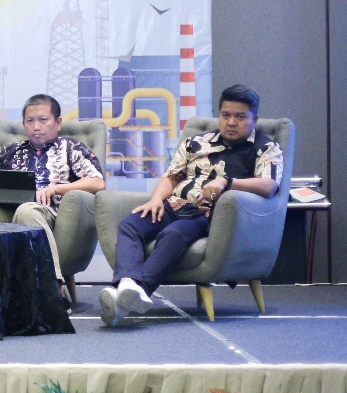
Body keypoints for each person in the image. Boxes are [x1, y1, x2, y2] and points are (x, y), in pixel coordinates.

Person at [101, 84, 282, 327]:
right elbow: (171, 177)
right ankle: (127, 285)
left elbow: (269, 185)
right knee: (130, 224)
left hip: (207, 215)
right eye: (226, 115)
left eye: (240, 117)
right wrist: (156, 199)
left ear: (254, 119)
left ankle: (134, 293)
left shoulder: (265, 148)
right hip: (174, 204)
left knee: (173, 234)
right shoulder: (196, 142)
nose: (231, 122)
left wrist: (227, 182)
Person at [0, 94, 106, 294]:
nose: (36, 126)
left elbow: (97, 182)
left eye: (43, 120)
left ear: (58, 123)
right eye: (30, 121)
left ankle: (52, 287)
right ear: (24, 125)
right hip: (8, 211)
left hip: (52, 214)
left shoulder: (71, 148)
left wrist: (57, 188)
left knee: (27, 211)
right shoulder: (11, 151)